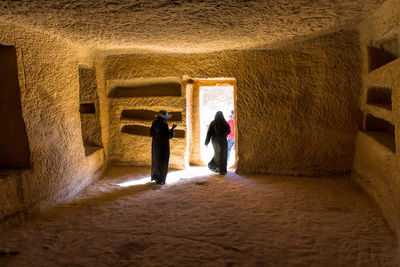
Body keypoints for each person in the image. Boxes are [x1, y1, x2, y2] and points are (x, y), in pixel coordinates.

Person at [150, 110, 177, 185]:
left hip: (155, 146)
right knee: (163, 162)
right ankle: (161, 180)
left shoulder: (154, 123)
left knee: (156, 161)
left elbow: (151, 134)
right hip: (163, 146)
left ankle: (155, 177)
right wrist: (172, 129)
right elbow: (168, 136)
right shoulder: (164, 124)